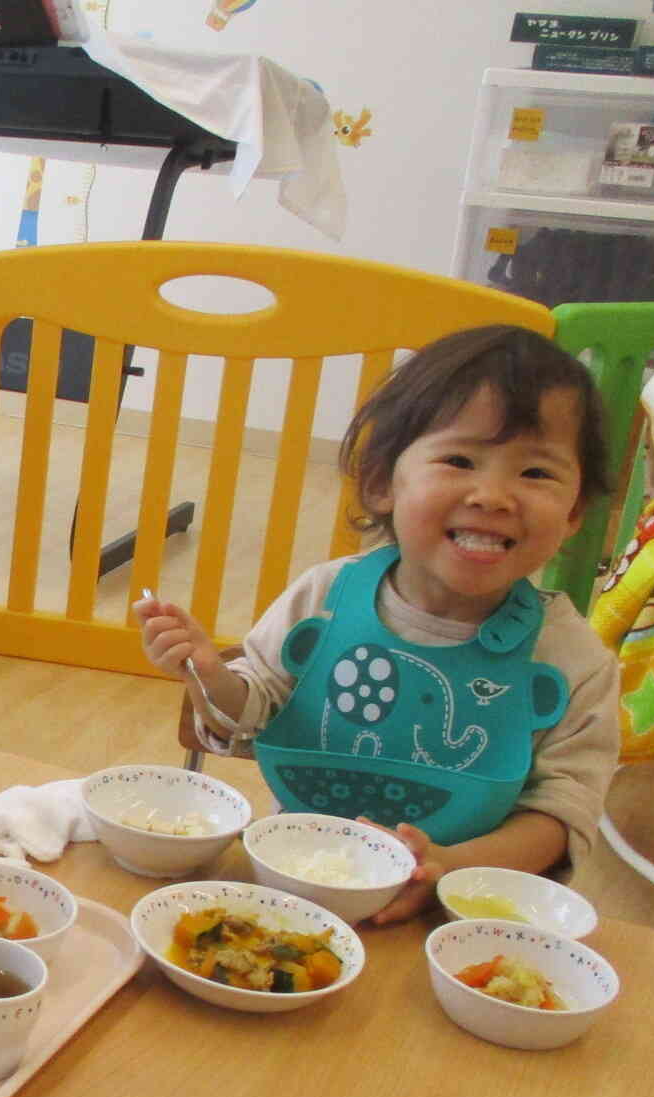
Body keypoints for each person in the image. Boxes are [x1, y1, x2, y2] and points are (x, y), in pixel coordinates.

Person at [136, 324, 620, 924]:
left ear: (575, 512)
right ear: (381, 482)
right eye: (460, 460)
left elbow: (561, 812)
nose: (493, 495)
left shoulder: (571, 658)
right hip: (297, 881)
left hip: (460, 910)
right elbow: (250, 715)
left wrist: (446, 867)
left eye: (536, 473)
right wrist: (210, 673)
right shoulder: (326, 596)